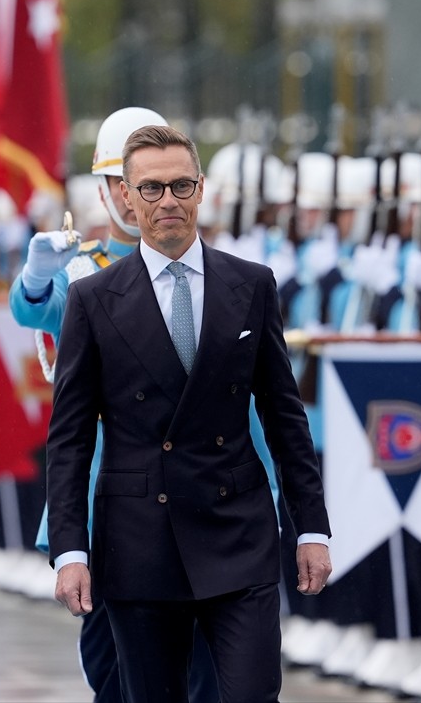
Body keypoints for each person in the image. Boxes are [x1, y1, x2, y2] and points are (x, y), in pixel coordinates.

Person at [46, 124, 332, 703]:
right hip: (139, 538)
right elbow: (71, 437)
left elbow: (284, 415)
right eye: (151, 188)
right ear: (126, 196)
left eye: (180, 185)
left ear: (201, 189)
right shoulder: (93, 299)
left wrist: (313, 527)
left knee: (253, 693)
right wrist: (69, 549)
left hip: (237, 528)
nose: (168, 201)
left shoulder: (250, 285)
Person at [12, 106, 221, 703]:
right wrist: (35, 277)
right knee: (115, 671)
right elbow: (31, 310)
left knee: (204, 673)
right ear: (110, 191)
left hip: (197, 495)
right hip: (109, 500)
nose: (140, 202)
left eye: (164, 185)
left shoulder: (208, 269)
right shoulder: (82, 270)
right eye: (125, 187)